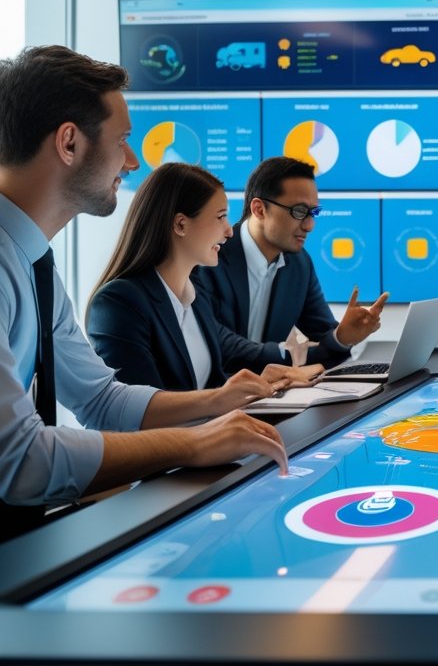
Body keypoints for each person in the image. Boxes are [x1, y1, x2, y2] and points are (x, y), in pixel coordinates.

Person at [0, 45, 289, 541]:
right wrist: (193, 444)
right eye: (123, 140)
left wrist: (216, 403)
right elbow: (20, 461)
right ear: (69, 143)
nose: (132, 161)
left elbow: (103, 400)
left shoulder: (35, 265)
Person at [87, 162, 323, 392]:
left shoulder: (194, 298)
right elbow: (140, 413)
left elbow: (212, 386)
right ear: (181, 224)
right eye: (220, 217)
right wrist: (227, 399)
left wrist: (261, 383)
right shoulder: (119, 302)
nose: (230, 231)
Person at [193, 157, 388, 372]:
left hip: (268, 395)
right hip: (213, 395)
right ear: (259, 210)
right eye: (299, 212)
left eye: (313, 213)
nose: (310, 225)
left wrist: (344, 336)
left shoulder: (299, 264)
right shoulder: (209, 257)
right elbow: (218, 343)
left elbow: (324, 335)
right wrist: (292, 355)